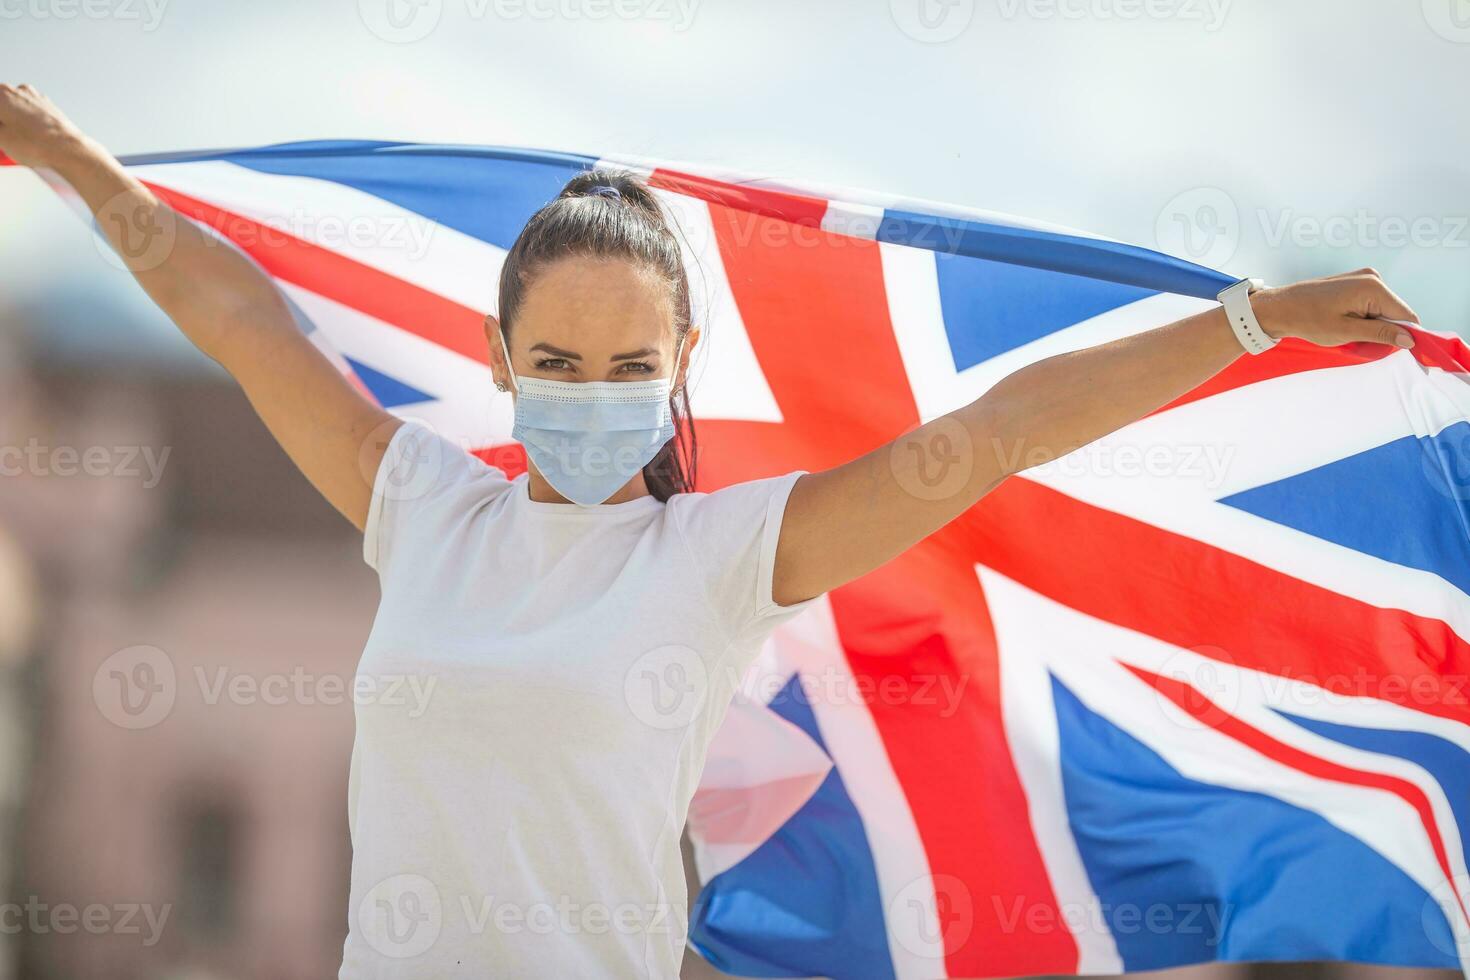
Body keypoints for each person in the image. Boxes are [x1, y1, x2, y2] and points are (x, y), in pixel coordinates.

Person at [0, 84, 1421, 978]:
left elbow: (990, 437)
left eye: (629, 368)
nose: (591, 394)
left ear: (681, 368)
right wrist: (57, 146)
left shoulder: (723, 557)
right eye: (556, 364)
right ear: (501, 360)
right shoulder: (420, 504)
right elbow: (241, 315)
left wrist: (1246, 323)